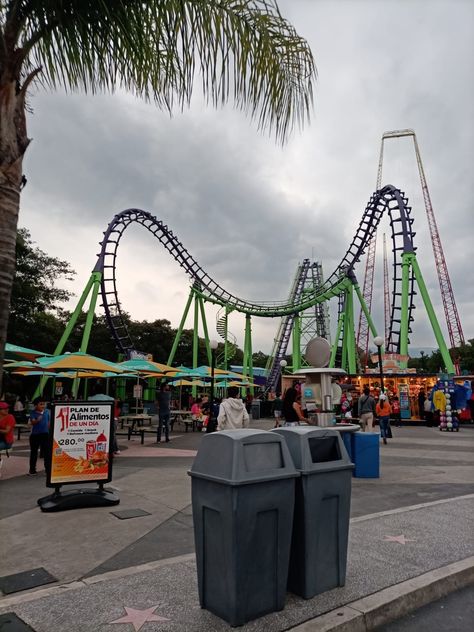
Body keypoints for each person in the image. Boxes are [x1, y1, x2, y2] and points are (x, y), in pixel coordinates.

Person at [28, 397, 50, 476]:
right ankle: (32, 470)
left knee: (47, 453)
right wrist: (37, 420)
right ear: (36, 405)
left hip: (45, 434)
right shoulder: (33, 413)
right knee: (34, 452)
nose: (43, 406)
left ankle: (48, 470)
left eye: (44, 404)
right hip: (35, 435)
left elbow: (49, 422)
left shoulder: (47, 412)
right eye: (41, 404)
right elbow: (33, 422)